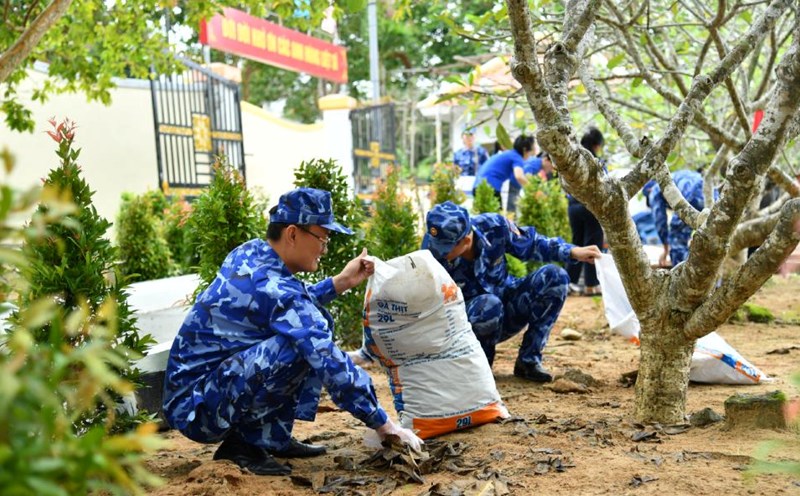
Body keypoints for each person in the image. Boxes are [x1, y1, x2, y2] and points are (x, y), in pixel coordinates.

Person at [162, 188, 422, 476]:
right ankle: (243, 447)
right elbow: (328, 359)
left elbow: (285, 303)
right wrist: (385, 426)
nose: (325, 247)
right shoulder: (275, 286)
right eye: (321, 237)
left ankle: (271, 436)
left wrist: (340, 282)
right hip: (196, 411)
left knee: (308, 325)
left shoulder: (252, 253)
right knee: (301, 344)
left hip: (200, 392)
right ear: (292, 234)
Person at [421, 201, 602, 382]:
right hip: (467, 324)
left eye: (446, 249)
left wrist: (573, 251)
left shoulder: (494, 227)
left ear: (466, 241)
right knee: (488, 305)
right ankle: (478, 372)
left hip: (508, 308)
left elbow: (533, 244)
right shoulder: (432, 248)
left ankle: (528, 361)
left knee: (555, 277)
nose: (439, 252)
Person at [567, 127, 606, 296]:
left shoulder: (572, 159)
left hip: (573, 206)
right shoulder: (595, 162)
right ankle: (591, 285)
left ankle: (571, 283)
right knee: (592, 244)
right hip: (590, 207)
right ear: (597, 145)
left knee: (577, 243)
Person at [643, 169, 707, 266]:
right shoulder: (676, 175)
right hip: (710, 192)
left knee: (676, 236)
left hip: (692, 194)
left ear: (648, 190)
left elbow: (660, 219)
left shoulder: (655, 188)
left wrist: (665, 248)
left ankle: (682, 273)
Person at [473, 134, 537, 207]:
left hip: (478, 185)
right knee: (496, 217)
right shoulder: (517, 157)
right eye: (532, 150)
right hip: (490, 187)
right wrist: (534, 190)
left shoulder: (509, 154)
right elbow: (519, 176)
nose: (532, 154)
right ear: (525, 149)